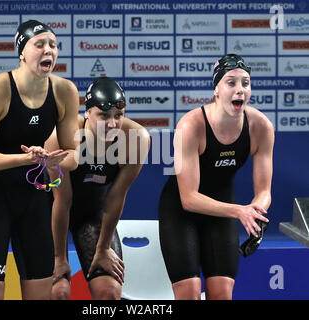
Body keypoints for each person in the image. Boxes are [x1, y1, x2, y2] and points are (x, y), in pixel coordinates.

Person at [0, 20, 79, 300]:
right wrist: (24, 159)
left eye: (53, 44)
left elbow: (73, 157)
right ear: (21, 53)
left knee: (40, 293)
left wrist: (53, 162)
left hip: (34, 197)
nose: (48, 50)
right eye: (39, 44)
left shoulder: (65, 92)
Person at [158, 54, 274, 300]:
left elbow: (264, 192)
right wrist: (239, 211)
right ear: (216, 90)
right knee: (189, 294)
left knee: (222, 295)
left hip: (222, 213)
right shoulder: (190, 126)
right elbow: (188, 198)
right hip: (181, 213)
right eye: (231, 83)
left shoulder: (261, 127)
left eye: (245, 83)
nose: (240, 90)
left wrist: (256, 213)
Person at [45, 77, 150, 300]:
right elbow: (62, 201)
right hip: (51, 213)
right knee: (58, 292)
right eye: (103, 116)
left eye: (118, 116)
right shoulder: (61, 136)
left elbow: (115, 198)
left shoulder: (136, 138)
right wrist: (59, 258)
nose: (112, 124)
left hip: (92, 214)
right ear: (87, 113)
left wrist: (103, 249)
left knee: (109, 292)